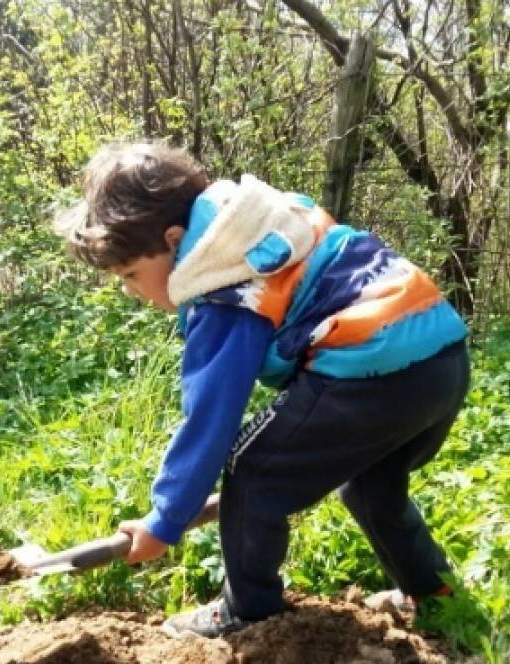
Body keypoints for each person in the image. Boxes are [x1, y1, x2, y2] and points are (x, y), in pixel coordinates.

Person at [55, 140, 470, 638]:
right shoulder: (259, 224)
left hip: (369, 368)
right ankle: (435, 593)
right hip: (439, 359)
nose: (130, 290)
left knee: (252, 473)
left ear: (173, 240)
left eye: (130, 273)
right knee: (371, 487)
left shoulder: (223, 287)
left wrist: (165, 520)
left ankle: (247, 612)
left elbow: (211, 418)